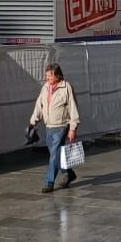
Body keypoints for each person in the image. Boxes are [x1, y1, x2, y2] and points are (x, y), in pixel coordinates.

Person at [28, 62, 80, 194]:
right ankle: (69, 173)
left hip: (61, 126)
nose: (47, 78)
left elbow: (73, 108)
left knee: (53, 156)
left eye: (50, 76)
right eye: (46, 76)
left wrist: (73, 128)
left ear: (58, 75)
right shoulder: (46, 87)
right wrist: (34, 121)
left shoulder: (66, 87)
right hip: (49, 127)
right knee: (56, 155)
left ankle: (49, 182)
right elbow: (39, 104)